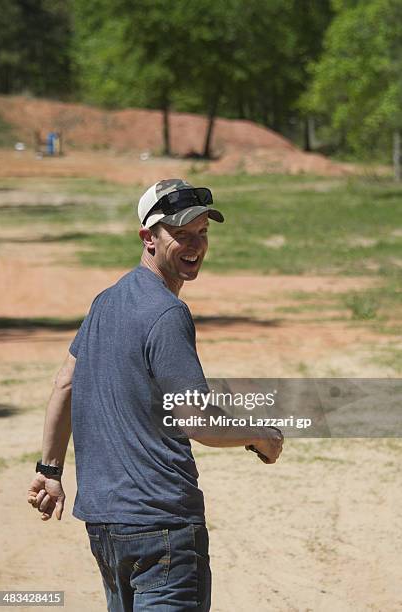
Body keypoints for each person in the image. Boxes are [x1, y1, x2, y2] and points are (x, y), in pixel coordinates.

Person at [27, 178, 284, 611]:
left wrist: (49, 470)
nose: (195, 245)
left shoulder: (105, 302)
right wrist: (260, 435)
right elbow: (197, 420)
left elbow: (65, 383)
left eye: (202, 233)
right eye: (181, 234)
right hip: (161, 524)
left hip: (106, 524)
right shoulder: (168, 313)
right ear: (148, 237)